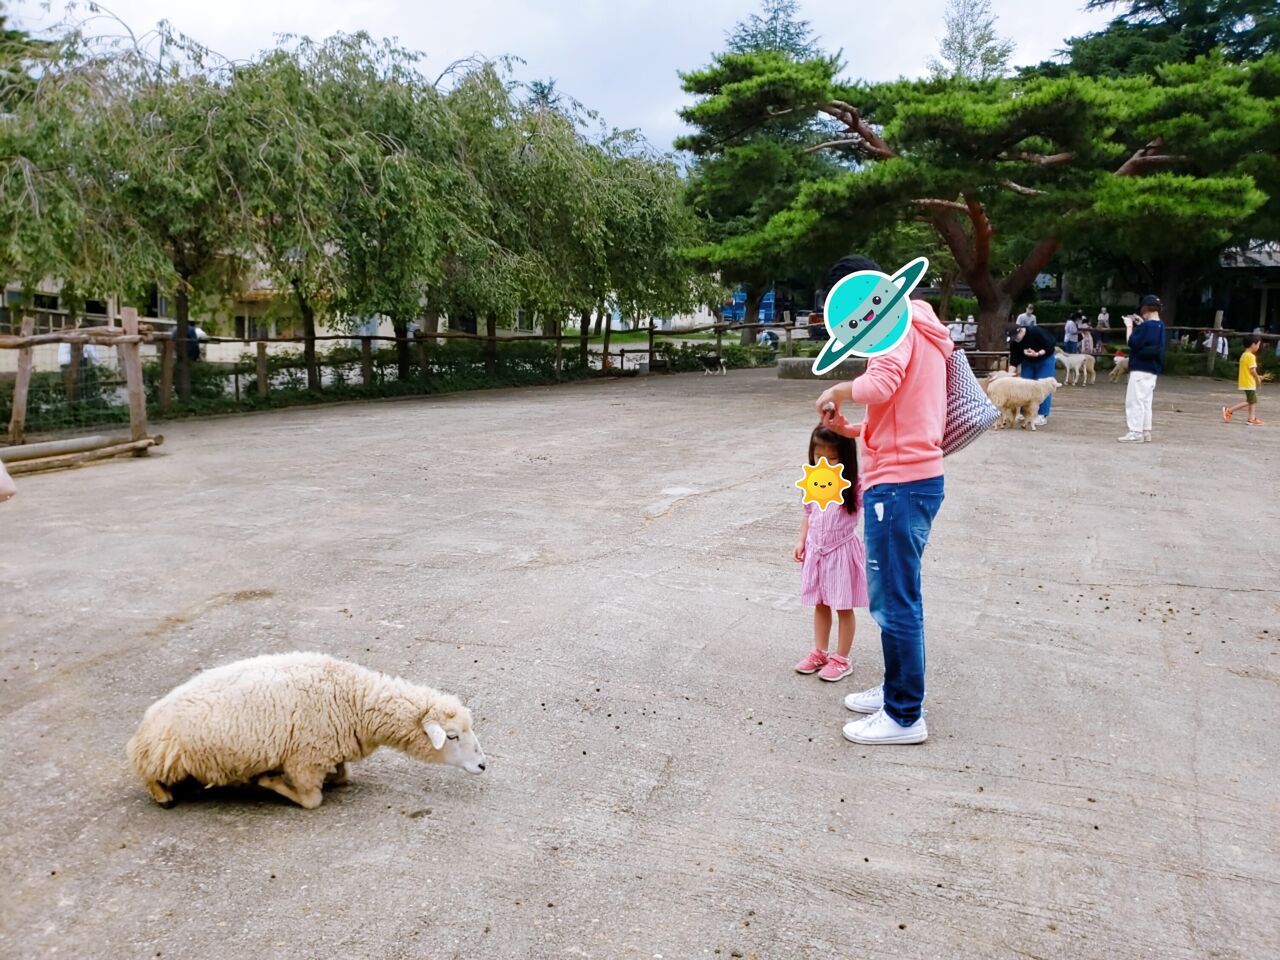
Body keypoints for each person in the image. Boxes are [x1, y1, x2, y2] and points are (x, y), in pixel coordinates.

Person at [815, 254, 951, 746]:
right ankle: (898, 691)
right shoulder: (922, 324)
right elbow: (903, 404)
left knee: (895, 603)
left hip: (898, 484)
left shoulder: (896, 326)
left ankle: (904, 715)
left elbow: (882, 384)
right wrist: (854, 430)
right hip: (916, 475)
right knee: (899, 596)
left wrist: (838, 387)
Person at [792, 424, 868, 683]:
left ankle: (842, 658)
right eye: (818, 456)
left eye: (832, 457)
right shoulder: (812, 482)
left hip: (841, 552)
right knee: (820, 603)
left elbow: (872, 504)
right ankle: (820, 652)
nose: (824, 462)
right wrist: (802, 540)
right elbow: (808, 512)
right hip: (816, 550)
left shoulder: (855, 486)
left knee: (843, 606)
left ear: (845, 456)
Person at [1118, 295, 1167, 443]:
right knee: (1145, 401)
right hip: (1152, 369)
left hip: (1140, 367)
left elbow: (1131, 342)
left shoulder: (1146, 326)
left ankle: (1135, 432)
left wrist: (1129, 326)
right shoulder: (1160, 325)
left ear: (1145, 309)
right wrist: (1141, 324)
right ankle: (1145, 431)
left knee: (1134, 400)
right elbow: (1149, 338)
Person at [1008, 323, 1057, 426]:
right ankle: (1025, 412)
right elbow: (1014, 359)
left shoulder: (1035, 331)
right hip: (1028, 362)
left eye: (1016, 337)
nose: (1015, 339)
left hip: (1045, 360)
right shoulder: (1014, 342)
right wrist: (1008, 376)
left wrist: (1038, 353)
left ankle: (1042, 414)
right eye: (1013, 338)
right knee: (1025, 386)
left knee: (1043, 386)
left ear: (1021, 330)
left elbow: (1050, 344)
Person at [1223, 334, 1266, 426]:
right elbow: (1252, 370)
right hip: (1249, 382)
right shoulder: (1251, 356)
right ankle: (1229, 410)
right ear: (1253, 344)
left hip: (1245, 381)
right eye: (1258, 345)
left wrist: (1257, 376)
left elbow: (1248, 370)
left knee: (1251, 400)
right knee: (1251, 401)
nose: (1258, 347)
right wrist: (1257, 378)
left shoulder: (1243, 355)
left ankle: (1251, 418)